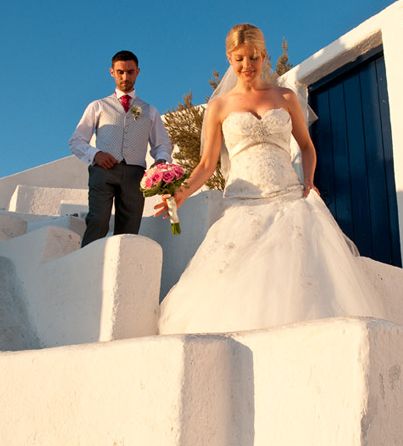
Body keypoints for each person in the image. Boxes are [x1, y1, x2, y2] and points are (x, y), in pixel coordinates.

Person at [155, 24, 384, 334]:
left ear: (264, 56)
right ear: (229, 58)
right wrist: (181, 193)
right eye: (239, 59)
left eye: (253, 58)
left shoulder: (286, 96)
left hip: (289, 197)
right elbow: (207, 163)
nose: (246, 66)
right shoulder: (219, 106)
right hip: (243, 203)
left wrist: (308, 182)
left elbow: (307, 146)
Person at [70, 50, 172, 247]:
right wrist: (95, 154)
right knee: (98, 220)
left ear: (137, 72)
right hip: (103, 172)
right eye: (120, 72)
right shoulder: (98, 106)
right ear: (112, 72)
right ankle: (87, 269)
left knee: (129, 229)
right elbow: (76, 140)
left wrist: (161, 161)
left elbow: (162, 144)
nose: (125, 77)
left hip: (136, 175)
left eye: (130, 72)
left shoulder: (150, 110)